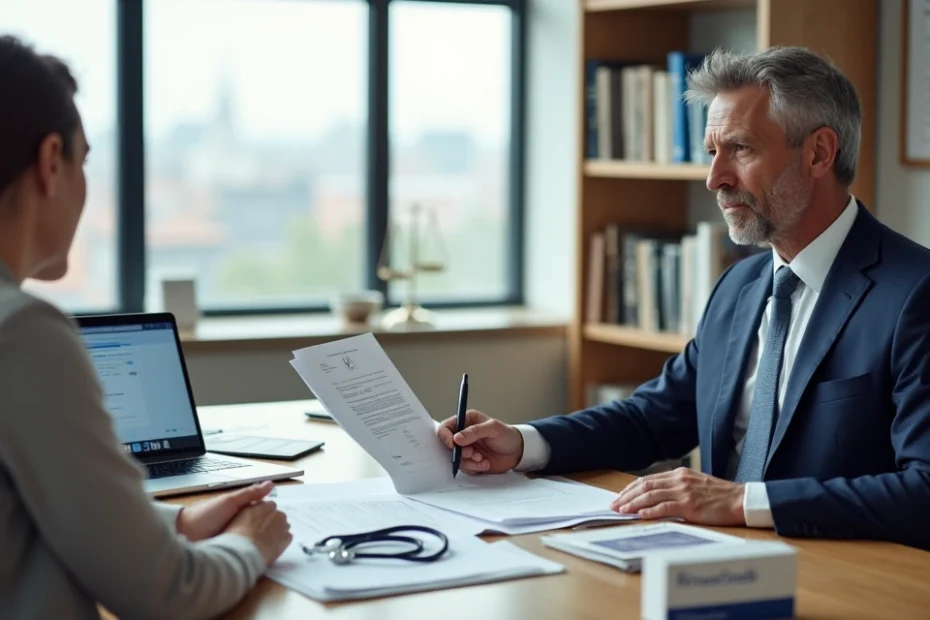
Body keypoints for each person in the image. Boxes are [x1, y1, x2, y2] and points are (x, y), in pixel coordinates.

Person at [439, 46, 930, 551]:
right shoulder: (739, 287)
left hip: (848, 577)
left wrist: (742, 502)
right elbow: (653, 418)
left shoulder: (916, 294)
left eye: (740, 149)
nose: (715, 179)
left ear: (819, 153)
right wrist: (522, 444)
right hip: (716, 565)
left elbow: (926, 489)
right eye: (712, 152)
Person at [0, 36, 292, 619]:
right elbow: (168, 593)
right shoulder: (24, 333)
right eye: (83, 163)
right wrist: (252, 543)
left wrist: (176, 519)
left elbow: (29, 507)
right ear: (50, 161)